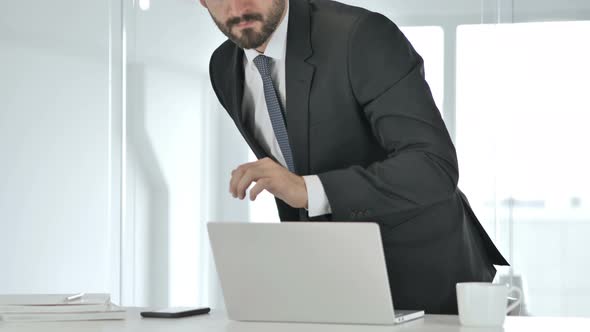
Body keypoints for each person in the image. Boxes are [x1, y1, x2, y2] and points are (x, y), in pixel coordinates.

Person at [200, 0, 508, 314]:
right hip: (334, 280)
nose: (238, 8)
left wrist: (308, 189)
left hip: (429, 277)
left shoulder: (360, 36)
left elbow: (432, 165)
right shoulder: (224, 67)